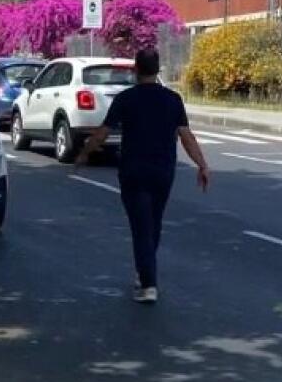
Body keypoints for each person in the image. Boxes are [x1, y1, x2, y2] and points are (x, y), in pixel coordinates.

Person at [76, 48, 210, 303]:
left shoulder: (126, 99)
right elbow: (186, 136)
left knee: (141, 227)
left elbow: (103, 132)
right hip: (163, 172)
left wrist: (84, 153)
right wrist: (202, 165)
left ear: (136, 70)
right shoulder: (173, 99)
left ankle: (148, 283)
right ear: (158, 70)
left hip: (133, 171)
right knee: (153, 223)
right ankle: (144, 272)